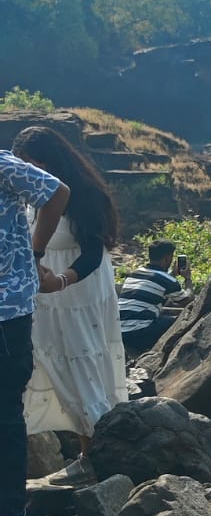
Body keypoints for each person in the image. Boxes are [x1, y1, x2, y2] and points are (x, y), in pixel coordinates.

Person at [13, 126, 128, 481]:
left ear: (49, 161)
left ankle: (94, 457)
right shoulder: (31, 195)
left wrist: (61, 281)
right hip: (45, 294)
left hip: (79, 290)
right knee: (49, 359)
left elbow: (96, 251)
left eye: (30, 164)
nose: (26, 172)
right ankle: (85, 450)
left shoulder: (83, 195)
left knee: (83, 362)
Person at [0, 147, 70, 516]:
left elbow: (56, 192)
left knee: (4, 413)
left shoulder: (3, 165)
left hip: (6, 312)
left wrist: (35, 253)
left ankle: (9, 514)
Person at [119, 239, 192, 356]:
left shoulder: (135, 274)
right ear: (167, 258)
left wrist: (172, 274)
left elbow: (156, 287)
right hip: (139, 333)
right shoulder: (167, 280)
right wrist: (188, 279)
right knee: (183, 322)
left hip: (120, 333)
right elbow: (188, 301)